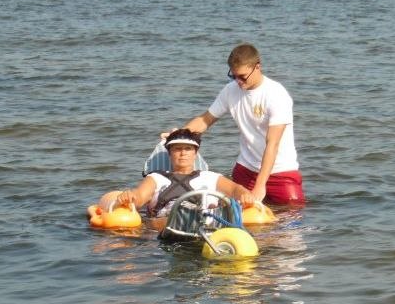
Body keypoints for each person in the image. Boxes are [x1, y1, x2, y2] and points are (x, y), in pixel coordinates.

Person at [180, 43, 305, 206]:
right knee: (236, 216)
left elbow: (272, 144)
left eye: (242, 77)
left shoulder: (276, 94)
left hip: (281, 171)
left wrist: (260, 186)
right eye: (233, 76)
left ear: (257, 67)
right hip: (245, 169)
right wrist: (179, 135)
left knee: (293, 215)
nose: (238, 82)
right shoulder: (230, 91)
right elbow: (205, 120)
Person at [93, 128, 255, 221]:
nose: (183, 153)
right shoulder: (156, 178)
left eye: (188, 149)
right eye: (177, 149)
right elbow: (140, 196)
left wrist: (244, 195)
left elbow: (235, 190)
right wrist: (130, 196)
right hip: (165, 226)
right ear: (170, 154)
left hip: (205, 222)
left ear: (195, 153)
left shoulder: (211, 177)